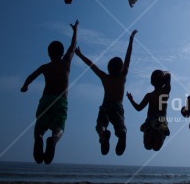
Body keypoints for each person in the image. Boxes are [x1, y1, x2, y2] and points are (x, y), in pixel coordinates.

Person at [21, 20, 79, 165]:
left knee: (39, 127)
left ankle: (39, 138)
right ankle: (53, 141)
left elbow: (31, 76)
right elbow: (72, 47)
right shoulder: (66, 62)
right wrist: (75, 30)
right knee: (59, 128)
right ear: (61, 52)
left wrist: (25, 86)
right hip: (60, 102)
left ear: (48, 53)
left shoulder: (45, 67)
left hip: (46, 100)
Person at [75, 29, 137, 156]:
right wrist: (131, 40)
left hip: (106, 106)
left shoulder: (105, 77)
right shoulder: (122, 77)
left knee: (101, 124)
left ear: (109, 69)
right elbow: (128, 58)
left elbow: (92, 65)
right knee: (120, 127)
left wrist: (80, 55)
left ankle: (103, 133)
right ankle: (122, 135)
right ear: (121, 69)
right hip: (118, 107)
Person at [127, 70, 171, 151]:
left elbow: (139, 108)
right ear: (164, 81)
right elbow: (169, 76)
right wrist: (165, 76)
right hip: (162, 120)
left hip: (150, 121)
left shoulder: (149, 95)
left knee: (147, 146)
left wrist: (131, 99)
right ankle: (160, 131)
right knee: (156, 148)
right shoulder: (166, 91)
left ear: (151, 82)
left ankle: (153, 130)